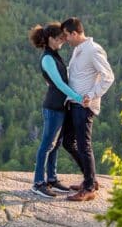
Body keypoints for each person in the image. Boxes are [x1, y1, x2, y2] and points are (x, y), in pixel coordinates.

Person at [28, 22, 86, 198]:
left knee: (55, 145)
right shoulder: (47, 58)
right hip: (53, 107)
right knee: (47, 145)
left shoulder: (54, 55)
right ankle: (38, 183)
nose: (63, 40)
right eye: (60, 38)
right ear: (50, 39)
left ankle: (52, 179)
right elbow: (59, 84)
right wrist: (78, 98)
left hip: (60, 107)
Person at [60, 17, 115, 202]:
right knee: (68, 142)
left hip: (84, 106)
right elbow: (76, 74)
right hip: (73, 104)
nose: (66, 39)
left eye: (67, 35)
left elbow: (108, 76)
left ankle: (90, 187)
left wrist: (91, 95)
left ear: (74, 33)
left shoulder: (93, 50)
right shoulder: (78, 50)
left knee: (84, 145)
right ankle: (90, 180)